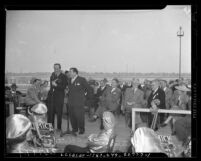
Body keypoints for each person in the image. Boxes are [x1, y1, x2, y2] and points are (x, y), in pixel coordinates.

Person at [68, 67, 92, 135]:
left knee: (80, 117)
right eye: (69, 72)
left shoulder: (82, 79)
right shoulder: (69, 80)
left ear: (75, 72)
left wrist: (86, 99)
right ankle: (74, 129)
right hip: (71, 102)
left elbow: (89, 89)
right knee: (72, 117)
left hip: (79, 103)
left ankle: (81, 129)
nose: (69, 73)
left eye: (70, 72)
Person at [48, 63, 67, 134]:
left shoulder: (64, 76)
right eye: (54, 68)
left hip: (59, 97)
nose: (55, 69)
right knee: (51, 113)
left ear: (60, 68)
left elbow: (63, 87)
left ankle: (59, 128)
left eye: (57, 68)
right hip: (52, 97)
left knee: (59, 113)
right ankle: (51, 128)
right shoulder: (52, 75)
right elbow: (51, 86)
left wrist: (56, 85)